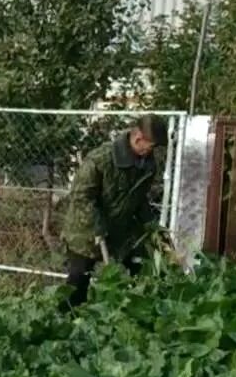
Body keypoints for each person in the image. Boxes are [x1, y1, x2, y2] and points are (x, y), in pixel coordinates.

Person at [60, 114, 168, 307]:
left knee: (138, 269)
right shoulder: (100, 160)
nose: (153, 152)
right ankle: (62, 321)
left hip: (121, 231)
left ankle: (129, 314)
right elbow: (81, 197)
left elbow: (139, 201)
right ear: (138, 139)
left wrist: (154, 229)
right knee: (78, 283)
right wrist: (97, 227)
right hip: (85, 230)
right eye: (151, 146)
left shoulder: (147, 166)